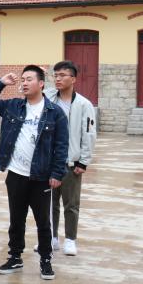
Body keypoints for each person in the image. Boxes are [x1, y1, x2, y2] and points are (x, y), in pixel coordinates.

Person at [0, 66, 69, 280]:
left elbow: (61, 146)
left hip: (41, 176)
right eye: (22, 79)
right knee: (16, 219)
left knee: (43, 221)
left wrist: (57, 173)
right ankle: (15, 257)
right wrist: (1, 83)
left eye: (29, 79)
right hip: (16, 174)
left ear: (41, 84)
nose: (24, 83)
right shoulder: (13, 106)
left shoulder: (55, 112)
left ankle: (46, 259)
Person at [46, 61, 97, 256]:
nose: (58, 79)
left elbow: (89, 133)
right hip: (49, 162)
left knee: (71, 203)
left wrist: (83, 161)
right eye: (56, 75)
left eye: (63, 75)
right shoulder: (49, 98)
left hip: (70, 163)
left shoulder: (84, 104)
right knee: (49, 203)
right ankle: (51, 238)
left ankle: (70, 239)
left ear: (73, 79)